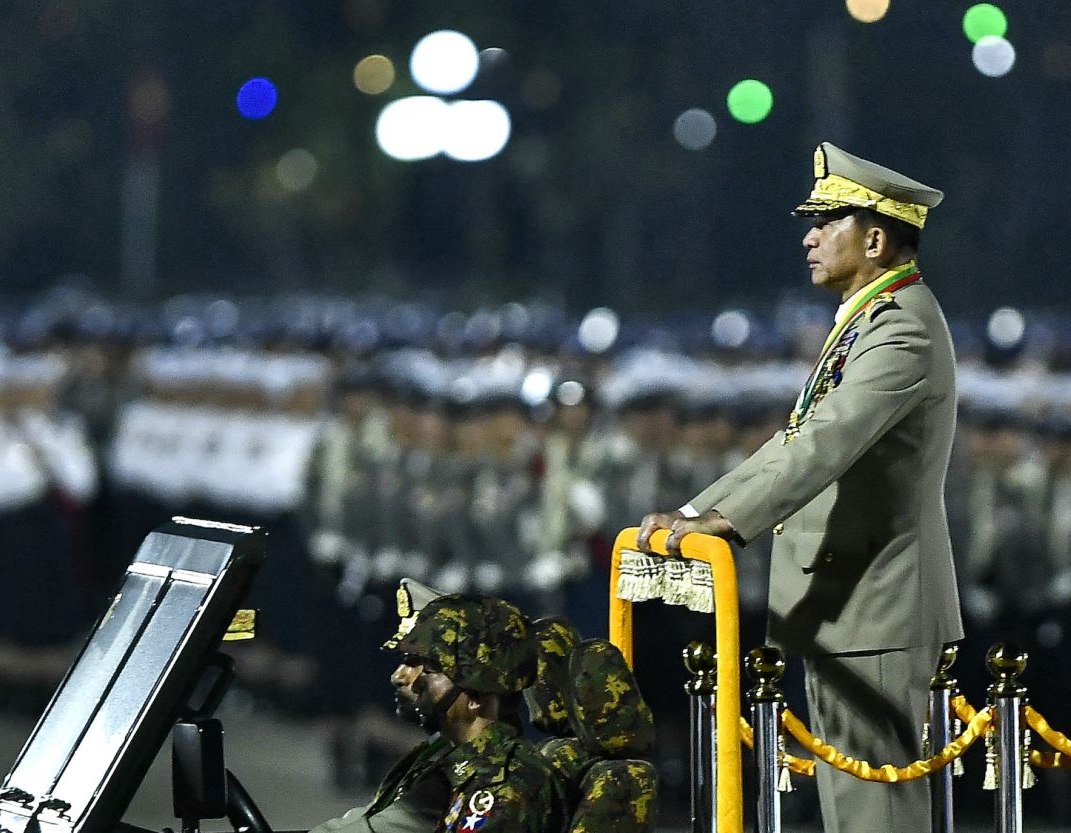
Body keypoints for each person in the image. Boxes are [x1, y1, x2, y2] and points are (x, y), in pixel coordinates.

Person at [637, 142, 962, 833]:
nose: (808, 237)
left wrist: (726, 523)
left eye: (826, 222)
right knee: (849, 806)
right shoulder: (868, 321)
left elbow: (824, 444)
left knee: (876, 810)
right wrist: (698, 512)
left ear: (874, 239)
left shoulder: (901, 329)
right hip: (849, 601)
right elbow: (793, 438)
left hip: (875, 602)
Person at [312, 584, 569, 833]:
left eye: (430, 669)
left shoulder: (505, 787)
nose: (400, 677)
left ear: (476, 696)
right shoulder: (441, 756)